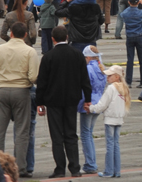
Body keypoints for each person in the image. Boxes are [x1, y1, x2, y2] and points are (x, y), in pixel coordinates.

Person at [0, 19, 39, 177]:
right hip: (21, 91)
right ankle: (20, 167)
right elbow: (34, 76)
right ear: (25, 35)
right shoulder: (29, 51)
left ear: (11, 33)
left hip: (3, 90)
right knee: (22, 131)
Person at [35, 25, 92, 179]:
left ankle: (60, 168)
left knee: (56, 136)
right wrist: (87, 99)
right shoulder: (77, 54)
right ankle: (75, 168)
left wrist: (39, 102)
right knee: (71, 134)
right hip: (72, 100)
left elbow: (42, 82)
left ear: (53, 39)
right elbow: (85, 79)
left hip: (53, 101)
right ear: (67, 37)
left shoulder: (48, 57)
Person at [88, 65, 129, 178]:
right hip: (119, 119)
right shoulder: (124, 88)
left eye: (110, 76)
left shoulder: (111, 88)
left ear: (117, 77)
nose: (107, 78)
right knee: (116, 144)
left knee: (110, 145)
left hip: (110, 119)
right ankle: (117, 171)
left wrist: (91, 108)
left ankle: (109, 171)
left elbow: (102, 105)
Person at [79, 47, 106, 176]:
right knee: (89, 133)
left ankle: (90, 164)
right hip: (98, 102)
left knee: (85, 134)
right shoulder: (101, 68)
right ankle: (91, 163)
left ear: (88, 57)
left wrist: (84, 102)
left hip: (88, 103)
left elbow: (85, 86)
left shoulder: (88, 69)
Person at [116, 0, 142, 90]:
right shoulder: (140, 12)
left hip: (129, 36)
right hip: (139, 36)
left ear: (129, 2)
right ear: (138, 2)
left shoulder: (125, 13)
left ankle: (128, 81)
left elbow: (121, 16)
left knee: (130, 59)